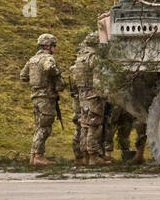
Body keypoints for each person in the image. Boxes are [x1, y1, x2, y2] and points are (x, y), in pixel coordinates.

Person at [18, 33, 63, 166]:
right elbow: (49, 68)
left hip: (36, 96)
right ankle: (39, 156)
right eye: (54, 45)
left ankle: (33, 156)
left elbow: (23, 76)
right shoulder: (48, 59)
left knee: (40, 126)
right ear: (48, 46)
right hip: (46, 97)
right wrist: (56, 74)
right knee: (45, 127)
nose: (55, 48)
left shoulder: (32, 60)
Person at [70, 33, 110, 165]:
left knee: (84, 125)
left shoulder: (80, 58)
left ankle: (85, 155)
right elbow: (98, 79)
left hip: (82, 95)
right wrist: (104, 95)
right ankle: (93, 156)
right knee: (94, 124)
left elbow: (74, 79)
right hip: (93, 95)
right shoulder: (95, 58)